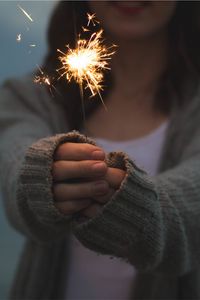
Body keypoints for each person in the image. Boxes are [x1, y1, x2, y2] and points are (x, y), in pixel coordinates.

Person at [1, 1, 200, 299]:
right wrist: (41, 175)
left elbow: (191, 211)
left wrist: (135, 205)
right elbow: (16, 167)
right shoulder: (30, 98)